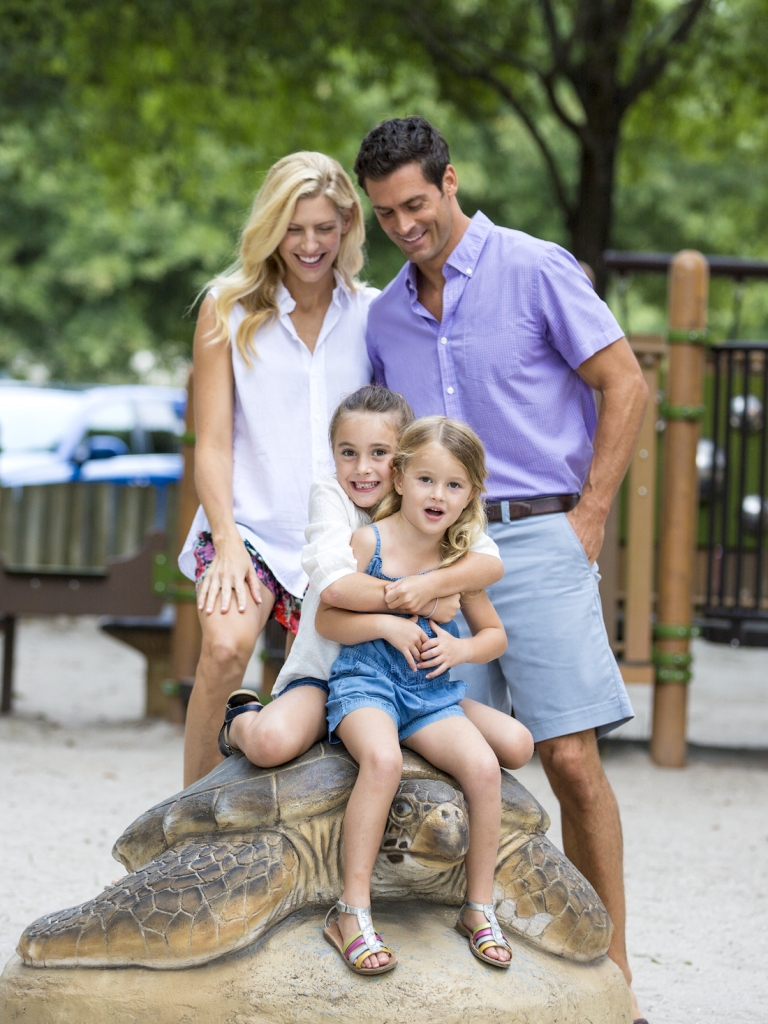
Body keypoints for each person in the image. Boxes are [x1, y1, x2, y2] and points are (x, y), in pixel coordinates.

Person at [354, 116, 649, 1019]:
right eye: (386, 215)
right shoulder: (387, 314)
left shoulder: (535, 266)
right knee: (445, 756)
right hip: (435, 553)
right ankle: (468, 978)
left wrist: (589, 517)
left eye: (415, 204)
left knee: (567, 756)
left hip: (536, 536)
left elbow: (625, 383)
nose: (405, 227)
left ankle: (615, 973)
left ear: (450, 182)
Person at [178, 151, 377, 787]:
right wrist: (228, 544)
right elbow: (210, 442)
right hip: (250, 531)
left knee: (303, 695)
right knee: (227, 646)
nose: (311, 244)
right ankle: (185, 821)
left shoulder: (374, 313)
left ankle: (273, 836)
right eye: (294, 229)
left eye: (324, 226)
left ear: (347, 224)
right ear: (271, 227)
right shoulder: (226, 308)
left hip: (338, 542)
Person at [316, 416, 533, 974]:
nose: (438, 495)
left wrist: (460, 653)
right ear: (401, 478)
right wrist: (388, 623)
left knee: (484, 769)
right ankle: (352, 911)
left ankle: (478, 908)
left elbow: (494, 636)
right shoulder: (370, 541)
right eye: (427, 480)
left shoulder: (459, 562)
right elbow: (328, 620)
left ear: (471, 497)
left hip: (429, 693)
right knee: (382, 760)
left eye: (454, 485)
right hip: (365, 681)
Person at [220, 385, 530, 772]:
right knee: (270, 744)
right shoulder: (333, 496)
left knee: (512, 745)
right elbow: (336, 587)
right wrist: (428, 600)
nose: (363, 468)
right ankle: (241, 720)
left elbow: (488, 562)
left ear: (403, 462)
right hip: (327, 674)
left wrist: (433, 584)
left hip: (406, 682)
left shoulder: (427, 501)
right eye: (348, 453)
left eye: (379, 454)